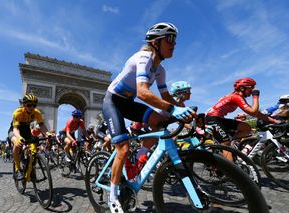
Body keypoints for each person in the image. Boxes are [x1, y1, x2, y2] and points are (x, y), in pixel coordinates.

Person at [102, 22, 195, 212]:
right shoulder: (144, 57)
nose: (174, 44)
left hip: (128, 103)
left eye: (175, 40)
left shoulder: (161, 70)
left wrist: (185, 112)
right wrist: (173, 110)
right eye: (170, 39)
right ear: (155, 42)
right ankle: (112, 198)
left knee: (160, 123)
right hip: (112, 101)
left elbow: (166, 98)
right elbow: (143, 93)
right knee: (123, 149)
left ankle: (141, 155)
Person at [205, 78, 280, 159]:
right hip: (212, 119)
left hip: (219, 119)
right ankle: (230, 170)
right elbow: (253, 112)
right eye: (251, 88)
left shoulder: (236, 96)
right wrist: (255, 95)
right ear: (242, 88)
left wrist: (273, 120)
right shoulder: (236, 97)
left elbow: (256, 113)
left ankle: (231, 145)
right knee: (226, 145)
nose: (252, 90)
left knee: (246, 128)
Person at [9, 93, 52, 180]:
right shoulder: (18, 112)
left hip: (26, 131)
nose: (32, 107)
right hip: (15, 131)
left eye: (34, 105)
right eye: (29, 105)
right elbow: (16, 129)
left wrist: (47, 133)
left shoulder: (37, 112)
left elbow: (42, 125)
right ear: (24, 105)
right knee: (17, 145)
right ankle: (17, 169)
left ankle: (30, 167)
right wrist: (19, 138)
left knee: (33, 149)